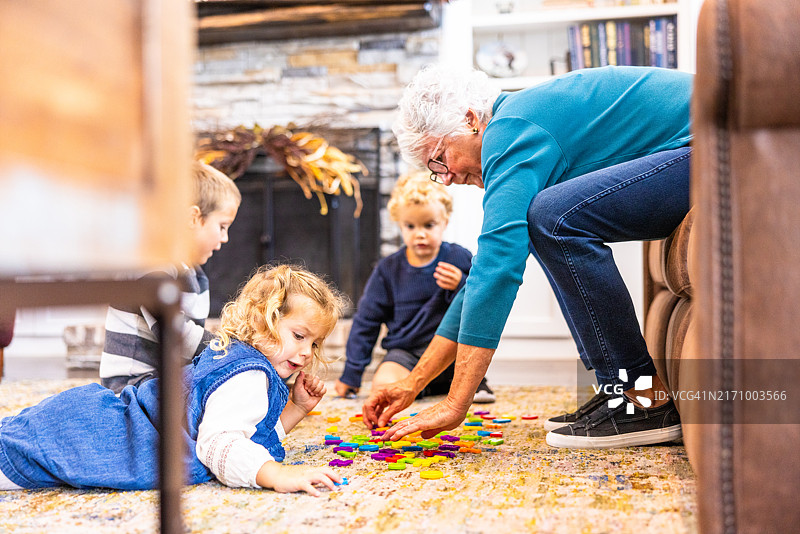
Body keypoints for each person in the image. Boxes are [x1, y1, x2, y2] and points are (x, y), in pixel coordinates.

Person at [364, 64, 692, 449]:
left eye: (439, 158)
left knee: (550, 217)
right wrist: (412, 382)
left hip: (719, 151)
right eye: (435, 172)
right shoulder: (518, 124)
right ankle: (624, 393)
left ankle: (642, 401)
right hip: (689, 155)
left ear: (471, 120)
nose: (446, 176)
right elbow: (480, 281)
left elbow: (497, 267)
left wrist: (456, 402)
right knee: (546, 217)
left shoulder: (509, 131)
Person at [0, 264, 345, 494]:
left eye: (314, 343)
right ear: (263, 320)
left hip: (92, 414)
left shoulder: (238, 357)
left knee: (16, 439)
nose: (305, 353)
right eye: (299, 336)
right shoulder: (249, 375)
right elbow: (220, 446)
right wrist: (278, 476)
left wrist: (296, 408)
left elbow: (245, 430)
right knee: (19, 455)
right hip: (113, 435)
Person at [334, 172, 494, 403]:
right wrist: (352, 373)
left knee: (468, 361)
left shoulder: (460, 258)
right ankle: (425, 389)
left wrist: (460, 285)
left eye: (429, 225)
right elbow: (366, 322)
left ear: (445, 222)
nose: (420, 233)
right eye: (410, 226)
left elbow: (484, 304)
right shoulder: (388, 269)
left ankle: (471, 384)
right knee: (383, 389)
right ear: (400, 225)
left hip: (452, 353)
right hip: (406, 355)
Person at [100, 161, 241, 393]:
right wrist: (225, 348)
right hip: (132, 387)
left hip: (161, 379)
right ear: (193, 219)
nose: (225, 238)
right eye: (222, 226)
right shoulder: (152, 262)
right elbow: (175, 331)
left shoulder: (192, 272)